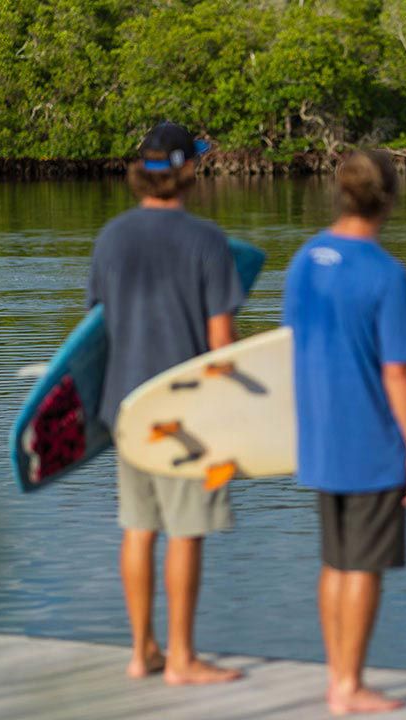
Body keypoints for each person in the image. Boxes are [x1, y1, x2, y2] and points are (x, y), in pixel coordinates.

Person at [87, 121, 245, 685]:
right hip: (187, 415)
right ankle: (181, 658)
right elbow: (221, 343)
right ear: (187, 170)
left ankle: (141, 652)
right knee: (184, 532)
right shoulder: (206, 240)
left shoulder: (110, 237)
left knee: (138, 528)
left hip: (128, 409)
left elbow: (95, 334)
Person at [283, 149, 406, 715]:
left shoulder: (304, 260)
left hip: (319, 434)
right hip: (370, 438)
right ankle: (349, 685)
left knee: (335, 561)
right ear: (388, 198)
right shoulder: (386, 274)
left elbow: (293, 343)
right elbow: (399, 371)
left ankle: (336, 677)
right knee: (363, 565)